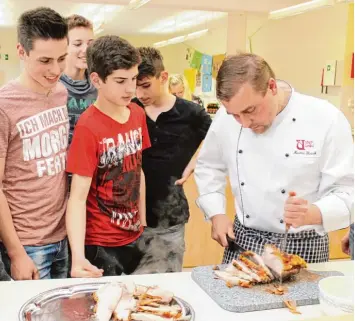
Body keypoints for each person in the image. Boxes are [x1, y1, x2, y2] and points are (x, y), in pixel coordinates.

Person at [194, 53, 354, 264]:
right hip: (244, 241)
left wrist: (313, 213)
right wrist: (216, 213)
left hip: (303, 245)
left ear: (272, 87)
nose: (243, 123)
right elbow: (209, 166)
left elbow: (348, 192)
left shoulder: (325, 119)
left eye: (250, 110)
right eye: (235, 115)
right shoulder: (226, 118)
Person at [66, 35, 150, 278]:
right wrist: (78, 256)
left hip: (133, 234)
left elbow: (138, 170)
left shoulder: (136, 113)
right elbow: (77, 197)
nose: (131, 89)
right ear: (97, 80)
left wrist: (142, 222)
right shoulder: (88, 126)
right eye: (120, 81)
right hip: (100, 243)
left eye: (134, 78)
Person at [0, 7, 69, 280]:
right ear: (21, 51)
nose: (55, 70)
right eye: (45, 60)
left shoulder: (61, 91)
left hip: (63, 236)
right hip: (26, 244)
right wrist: (16, 253)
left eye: (61, 58)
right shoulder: (4, 105)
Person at [132, 47, 212, 273]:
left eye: (146, 85)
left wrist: (196, 161)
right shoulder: (130, 110)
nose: (140, 93)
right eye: (135, 86)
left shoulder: (192, 114)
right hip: (130, 219)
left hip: (170, 218)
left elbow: (221, 137)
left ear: (163, 77)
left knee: (164, 288)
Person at [60, 14, 97, 146]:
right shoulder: (52, 86)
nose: (86, 50)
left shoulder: (99, 85)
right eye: (77, 44)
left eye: (90, 43)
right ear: (64, 46)